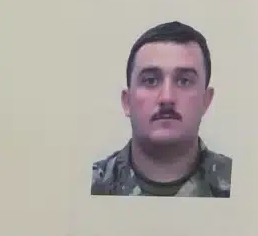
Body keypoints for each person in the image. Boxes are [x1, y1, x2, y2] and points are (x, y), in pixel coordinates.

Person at [90, 20, 233, 197]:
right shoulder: (89, 185)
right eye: (150, 81)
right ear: (127, 102)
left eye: (184, 81)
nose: (167, 98)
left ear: (206, 100)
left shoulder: (243, 185)